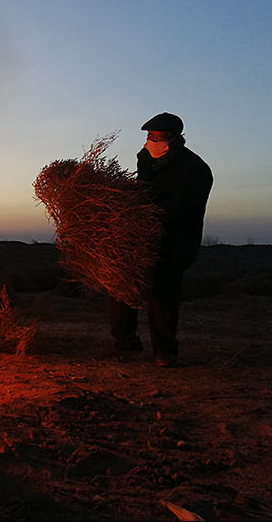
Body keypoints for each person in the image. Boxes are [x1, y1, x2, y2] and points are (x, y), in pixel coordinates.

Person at [102, 112, 213, 367]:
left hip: (174, 241)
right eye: (149, 136)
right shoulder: (146, 159)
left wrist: (142, 216)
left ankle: (165, 351)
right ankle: (124, 344)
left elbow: (182, 207)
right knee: (121, 288)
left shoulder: (195, 169)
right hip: (140, 239)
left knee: (161, 296)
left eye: (157, 137)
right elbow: (142, 190)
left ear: (175, 139)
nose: (151, 141)